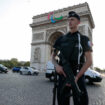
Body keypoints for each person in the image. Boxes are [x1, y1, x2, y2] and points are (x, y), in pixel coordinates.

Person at [51, 11, 93, 105]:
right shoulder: (60, 39)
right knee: (62, 102)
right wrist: (57, 66)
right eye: (68, 20)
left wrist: (77, 77)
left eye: (72, 19)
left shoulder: (84, 39)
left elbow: (89, 61)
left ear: (78, 22)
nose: (70, 22)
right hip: (63, 75)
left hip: (78, 75)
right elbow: (52, 58)